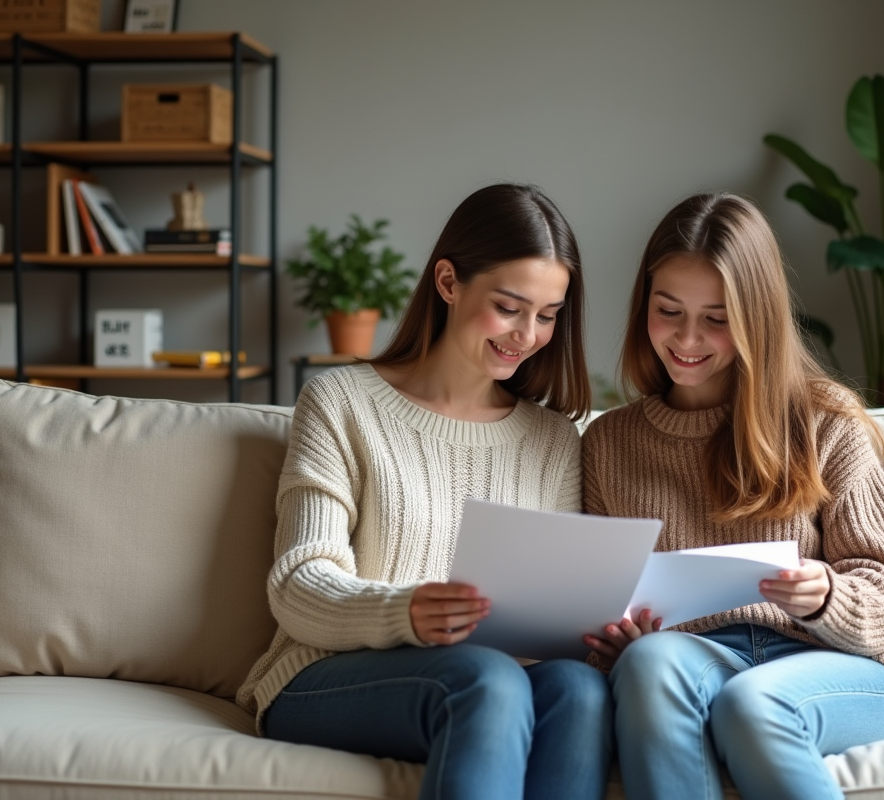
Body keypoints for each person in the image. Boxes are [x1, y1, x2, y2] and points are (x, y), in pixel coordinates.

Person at [238, 183, 611, 800]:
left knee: (581, 690)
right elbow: (298, 583)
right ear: (448, 282)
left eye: (547, 316)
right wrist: (404, 611)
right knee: (486, 679)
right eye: (509, 307)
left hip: (493, 679)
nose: (527, 335)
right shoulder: (341, 402)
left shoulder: (552, 439)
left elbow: (553, 617)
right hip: (326, 674)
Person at [580, 193, 884, 800]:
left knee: (751, 703)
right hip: (696, 658)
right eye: (668, 311)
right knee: (647, 663)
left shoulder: (824, 422)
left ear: (756, 317)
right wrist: (617, 643)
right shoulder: (609, 444)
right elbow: (602, 602)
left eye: (716, 319)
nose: (687, 338)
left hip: (838, 663)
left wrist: (826, 595)